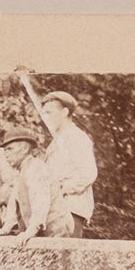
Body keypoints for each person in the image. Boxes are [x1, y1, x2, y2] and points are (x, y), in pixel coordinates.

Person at [39, 90, 98, 237]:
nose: (45, 117)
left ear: (64, 112)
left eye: (49, 112)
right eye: (44, 113)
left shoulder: (77, 137)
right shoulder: (57, 139)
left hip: (70, 208)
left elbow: (88, 174)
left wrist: (62, 189)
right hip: (55, 208)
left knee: (65, 255)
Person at [0, 124, 54, 240]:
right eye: (4, 150)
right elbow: (13, 203)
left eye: (10, 149)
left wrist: (31, 230)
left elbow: (41, 202)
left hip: (54, 230)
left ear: (25, 149)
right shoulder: (20, 171)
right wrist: (6, 228)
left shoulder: (36, 168)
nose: (6, 154)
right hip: (42, 232)